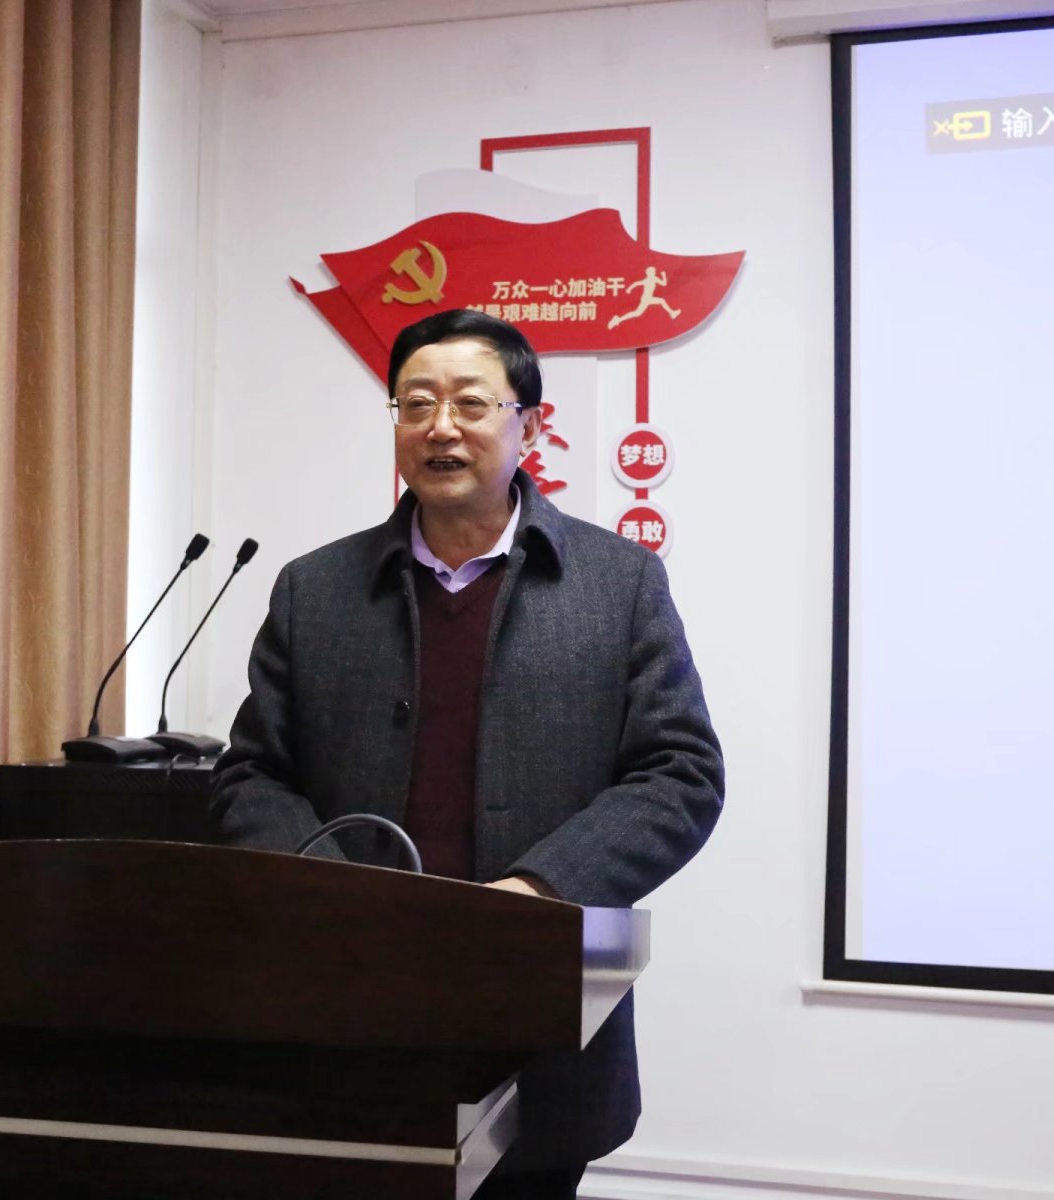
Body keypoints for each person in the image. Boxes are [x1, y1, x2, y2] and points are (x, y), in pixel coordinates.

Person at [208, 308, 723, 1200]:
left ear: (530, 426)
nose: (440, 426)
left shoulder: (617, 583)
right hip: (349, 1001)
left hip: (539, 1007)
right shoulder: (315, 589)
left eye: (471, 404)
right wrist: (334, 889)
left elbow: (680, 773)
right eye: (416, 404)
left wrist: (541, 892)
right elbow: (250, 775)